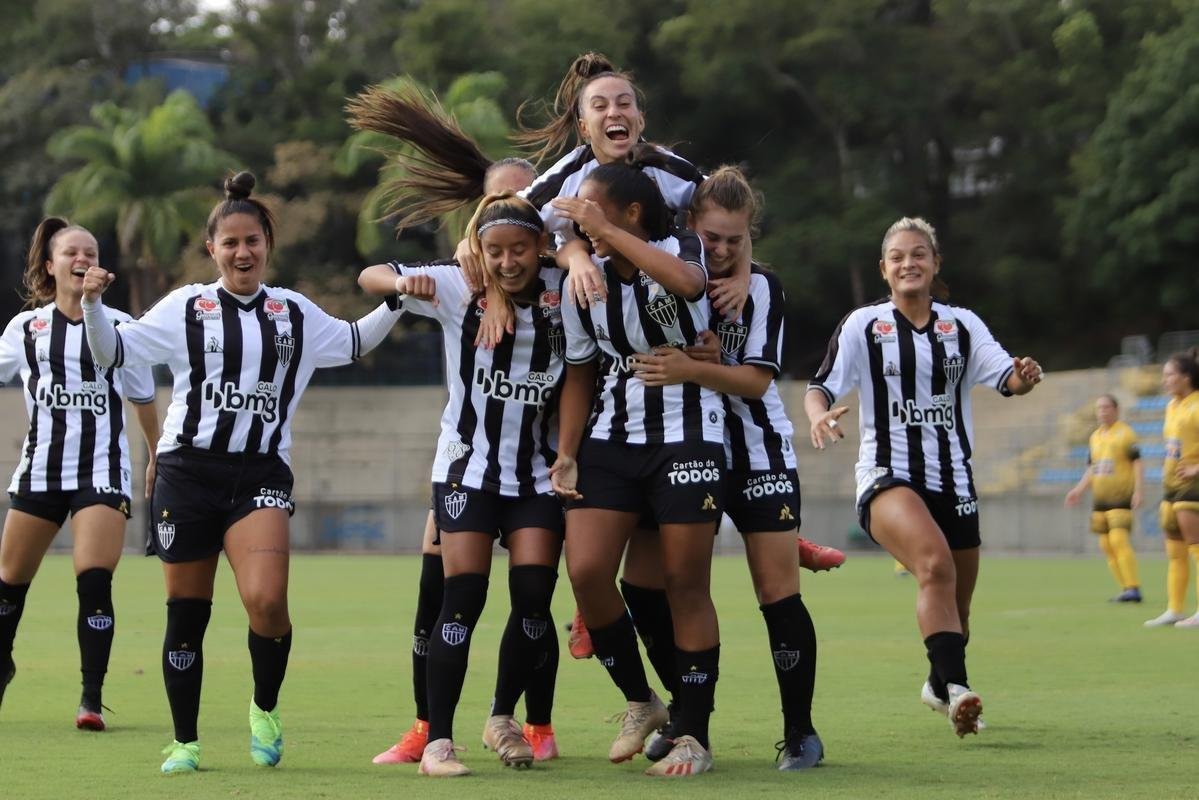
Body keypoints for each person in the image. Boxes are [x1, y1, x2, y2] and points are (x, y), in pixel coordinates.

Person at [80, 172, 403, 773]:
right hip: (187, 471)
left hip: (259, 472)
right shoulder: (185, 307)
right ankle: (185, 742)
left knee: (267, 601)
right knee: (187, 610)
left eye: (252, 240)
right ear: (213, 250)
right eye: (230, 243)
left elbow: (356, 342)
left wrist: (400, 298)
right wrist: (95, 304)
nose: (242, 252)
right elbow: (113, 353)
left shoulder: (295, 313)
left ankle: (265, 707)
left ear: (267, 245)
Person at [347, 89, 561, 764]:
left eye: (524, 226)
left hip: (537, 471)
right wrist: (397, 284)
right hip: (466, 468)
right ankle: (433, 735)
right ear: (480, 231)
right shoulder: (456, 285)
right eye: (494, 234)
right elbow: (371, 272)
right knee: (451, 599)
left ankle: (515, 721)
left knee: (534, 598)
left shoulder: (566, 296)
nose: (507, 252)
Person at [804, 216, 1043, 737]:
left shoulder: (962, 325)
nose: (908, 263)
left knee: (957, 610)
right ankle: (959, 690)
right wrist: (818, 414)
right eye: (897, 257)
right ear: (884, 270)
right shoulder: (864, 326)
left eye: (919, 254)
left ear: (935, 264)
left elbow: (1005, 376)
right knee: (934, 565)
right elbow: (820, 386)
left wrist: (1023, 379)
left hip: (954, 480)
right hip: (887, 476)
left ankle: (939, 685)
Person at [627, 165, 823, 769]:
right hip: (687, 450)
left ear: (750, 236)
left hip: (759, 452)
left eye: (734, 240)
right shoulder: (668, 277)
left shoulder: (762, 288)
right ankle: (688, 715)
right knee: (646, 587)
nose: (722, 249)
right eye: (712, 237)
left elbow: (757, 381)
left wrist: (693, 368)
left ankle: (799, 732)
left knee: (776, 593)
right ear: (690, 226)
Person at [550, 152, 723, 777]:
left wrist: (603, 232)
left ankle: (694, 735)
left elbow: (687, 285)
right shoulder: (584, 280)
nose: (581, 221)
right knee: (589, 571)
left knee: (684, 584)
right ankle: (642, 700)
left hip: (688, 437)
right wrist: (567, 452)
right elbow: (578, 370)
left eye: (592, 208)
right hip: (611, 441)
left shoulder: (682, 248)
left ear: (629, 212)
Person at [0, 218, 159, 729]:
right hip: (39, 472)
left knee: (93, 580)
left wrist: (158, 456)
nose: (81, 259)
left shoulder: (120, 328)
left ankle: (91, 699)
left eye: (89, 251)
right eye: (70, 252)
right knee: (8, 585)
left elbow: (141, 396)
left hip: (102, 473)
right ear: (50, 266)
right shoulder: (25, 330)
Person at [1065, 394, 1143, 602]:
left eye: (1107, 407)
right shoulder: (1095, 437)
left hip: (1121, 496)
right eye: (1099, 408)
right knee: (1106, 545)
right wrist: (1079, 490)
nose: (1103, 411)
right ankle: (1126, 588)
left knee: (1119, 539)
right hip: (1100, 500)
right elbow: (1093, 468)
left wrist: (1138, 490)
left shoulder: (1126, 434)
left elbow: (1137, 463)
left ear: (1116, 410)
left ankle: (1134, 587)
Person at [1143, 350, 1199, 628]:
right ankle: (1175, 609)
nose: (1164, 380)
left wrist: (1196, 468)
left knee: (1197, 548)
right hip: (1171, 488)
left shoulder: (1197, 405)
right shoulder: (1172, 406)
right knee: (1175, 552)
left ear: (1186, 377)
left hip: (1193, 488)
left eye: (1169, 375)